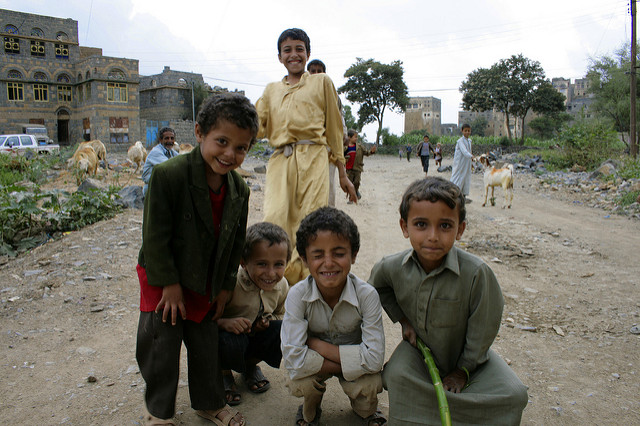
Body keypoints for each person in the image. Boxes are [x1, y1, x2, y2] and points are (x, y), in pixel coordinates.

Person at [135, 93, 258, 426]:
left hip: (206, 279)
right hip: (164, 277)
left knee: (205, 344)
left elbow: (234, 244)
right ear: (200, 133)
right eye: (222, 141)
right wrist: (169, 285)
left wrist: (225, 287)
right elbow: (155, 238)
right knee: (162, 343)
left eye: (241, 147)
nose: (230, 154)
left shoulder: (239, 190)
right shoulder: (168, 176)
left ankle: (208, 402)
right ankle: (158, 412)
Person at [368, 177, 528, 425]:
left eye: (445, 226)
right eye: (421, 224)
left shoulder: (476, 273)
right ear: (404, 227)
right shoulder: (391, 268)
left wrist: (462, 370)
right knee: (396, 377)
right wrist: (403, 321)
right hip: (419, 354)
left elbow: (483, 330)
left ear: (460, 229)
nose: (433, 236)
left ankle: (431, 410)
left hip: (467, 359)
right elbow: (377, 288)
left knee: (514, 394)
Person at [256, 28, 357, 285]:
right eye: (287, 50)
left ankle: (308, 285)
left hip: (315, 159)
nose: (294, 54)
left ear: (308, 53)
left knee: (310, 222)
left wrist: (342, 174)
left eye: (299, 49)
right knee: (275, 218)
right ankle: (279, 284)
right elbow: (255, 127)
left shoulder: (321, 82)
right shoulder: (270, 91)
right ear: (279, 57)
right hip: (281, 160)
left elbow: (334, 130)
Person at [281, 206, 386, 426]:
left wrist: (316, 345)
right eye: (318, 255)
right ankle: (310, 410)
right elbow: (294, 360)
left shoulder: (366, 295)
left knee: (371, 383)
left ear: (353, 255)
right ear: (304, 259)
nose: (328, 263)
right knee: (301, 380)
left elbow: (375, 359)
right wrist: (349, 363)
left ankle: (366, 411)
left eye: (339, 254)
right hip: (345, 362)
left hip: (320, 358)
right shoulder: (297, 295)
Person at [218, 222, 291, 407]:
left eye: (279, 265)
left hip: (253, 337)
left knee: (284, 330)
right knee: (228, 340)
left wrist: (265, 322)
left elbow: (281, 314)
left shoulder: (282, 286)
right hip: (229, 339)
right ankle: (224, 373)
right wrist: (225, 323)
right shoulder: (231, 284)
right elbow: (205, 320)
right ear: (243, 262)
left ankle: (249, 367)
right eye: (261, 264)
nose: (271, 273)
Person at [306, 57, 347, 208]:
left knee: (327, 189)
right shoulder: (299, 93)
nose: (316, 74)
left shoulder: (333, 97)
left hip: (327, 150)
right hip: (304, 150)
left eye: (319, 71)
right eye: (313, 71)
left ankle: (327, 224)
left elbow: (339, 120)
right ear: (307, 73)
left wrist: (343, 136)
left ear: (325, 73)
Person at [141, 127, 179, 197]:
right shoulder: (156, 152)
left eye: (172, 138)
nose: (170, 141)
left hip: (162, 187)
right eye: (166, 138)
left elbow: (181, 162)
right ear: (160, 140)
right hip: (152, 189)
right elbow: (170, 166)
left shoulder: (172, 152)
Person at [344, 129, 376, 202]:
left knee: (357, 182)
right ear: (349, 137)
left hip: (358, 168)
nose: (356, 138)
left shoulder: (360, 147)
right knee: (350, 184)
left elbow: (367, 153)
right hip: (349, 169)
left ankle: (356, 191)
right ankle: (351, 198)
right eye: (355, 137)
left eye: (357, 137)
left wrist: (371, 151)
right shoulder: (345, 147)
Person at [451, 124, 473, 202]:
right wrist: (471, 156)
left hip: (467, 164)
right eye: (465, 131)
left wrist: (471, 159)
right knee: (458, 178)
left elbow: (468, 152)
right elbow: (464, 151)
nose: (467, 132)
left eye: (469, 131)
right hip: (460, 164)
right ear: (462, 131)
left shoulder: (469, 141)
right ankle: (454, 195)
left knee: (466, 178)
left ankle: (463, 196)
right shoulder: (460, 141)